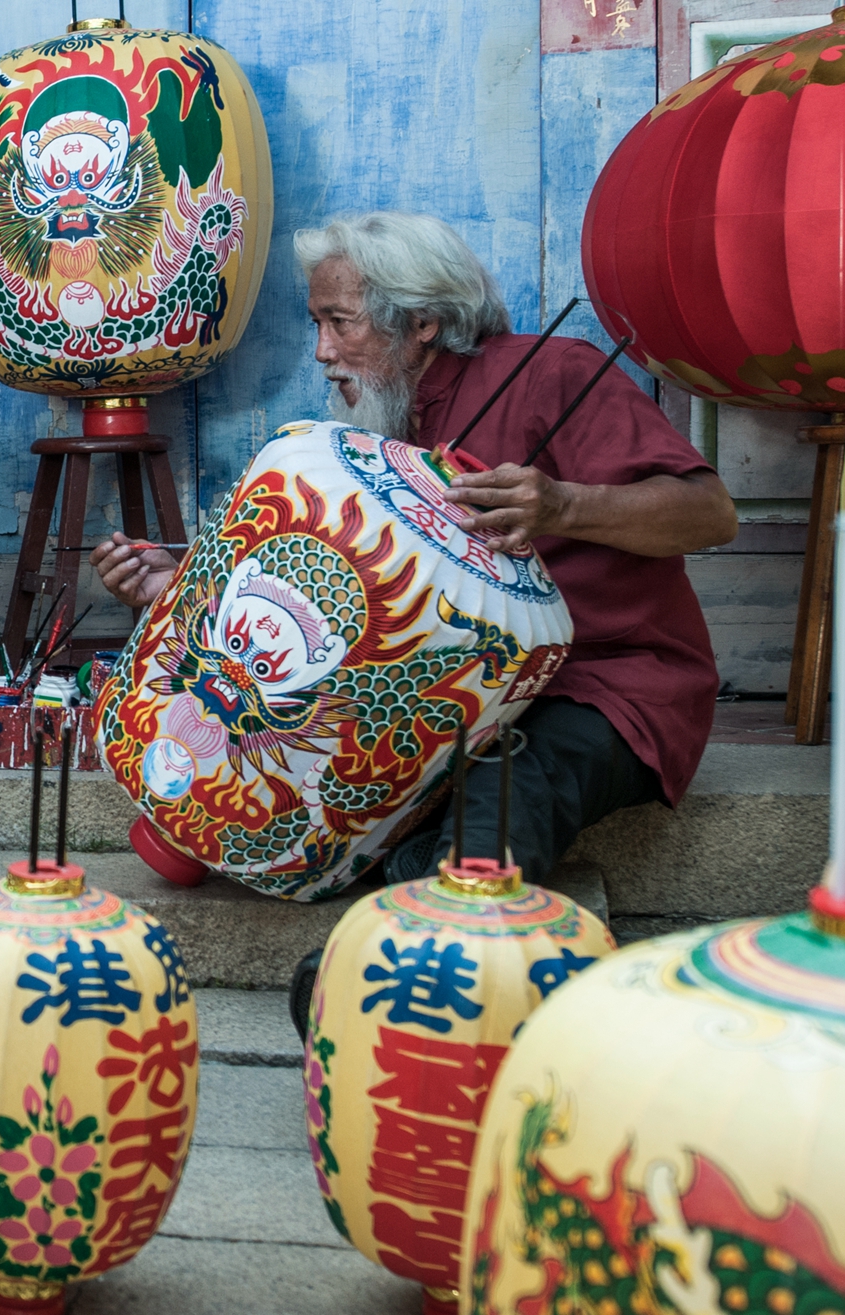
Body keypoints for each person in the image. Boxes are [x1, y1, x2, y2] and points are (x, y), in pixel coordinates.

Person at [92, 211, 737, 930]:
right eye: (317, 324)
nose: (322, 351)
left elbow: (710, 512)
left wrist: (561, 505)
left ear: (421, 321)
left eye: (341, 322)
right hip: (448, 696)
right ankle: (401, 869)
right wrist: (179, 590)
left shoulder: (552, 374)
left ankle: (400, 973)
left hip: (606, 683)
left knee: (505, 787)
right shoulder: (384, 428)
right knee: (324, 791)